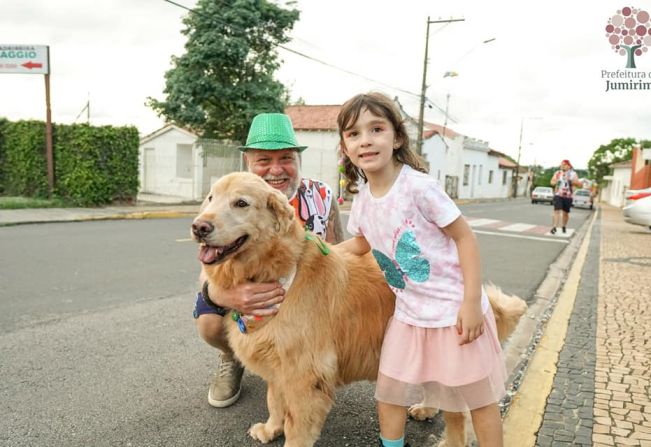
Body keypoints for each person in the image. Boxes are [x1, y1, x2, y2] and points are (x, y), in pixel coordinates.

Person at [336, 92, 506, 447]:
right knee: (390, 393)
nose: (365, 140)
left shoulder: (418, 187)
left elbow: (465, 238)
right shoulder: (363, 199)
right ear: (345, 147)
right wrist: (317, 250)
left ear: (396, 138)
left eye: (376, 129)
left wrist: (471, 303)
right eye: (353, 134)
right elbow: (361, 244)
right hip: (409, 316)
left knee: (479, 399)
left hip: (453, 314)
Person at [193, 113, 344, 408]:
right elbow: (207, 269)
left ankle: (311, 361)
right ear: (248, 161)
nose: (276, 169)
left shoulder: (323, 196)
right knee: (210, 322)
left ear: (298, 161)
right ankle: (233, 357)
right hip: (247, 292)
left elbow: (337, 249)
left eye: (286, 158)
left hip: (305, 300)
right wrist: (228, 295)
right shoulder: (220, 198)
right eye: (264, 160)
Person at [550, 159, 581, 234]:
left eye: (564, 164)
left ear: (568, 166)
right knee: (556, 210)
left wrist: (571, 180)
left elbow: (579, 184)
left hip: (568, 196)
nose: (562, 166)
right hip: (558, 194)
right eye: (561, 164)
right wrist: (556, 182)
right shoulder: (557, 173)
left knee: (565, 213)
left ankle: (563, 226)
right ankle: (554, 227)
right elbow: (552, 182)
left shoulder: (573, 174)